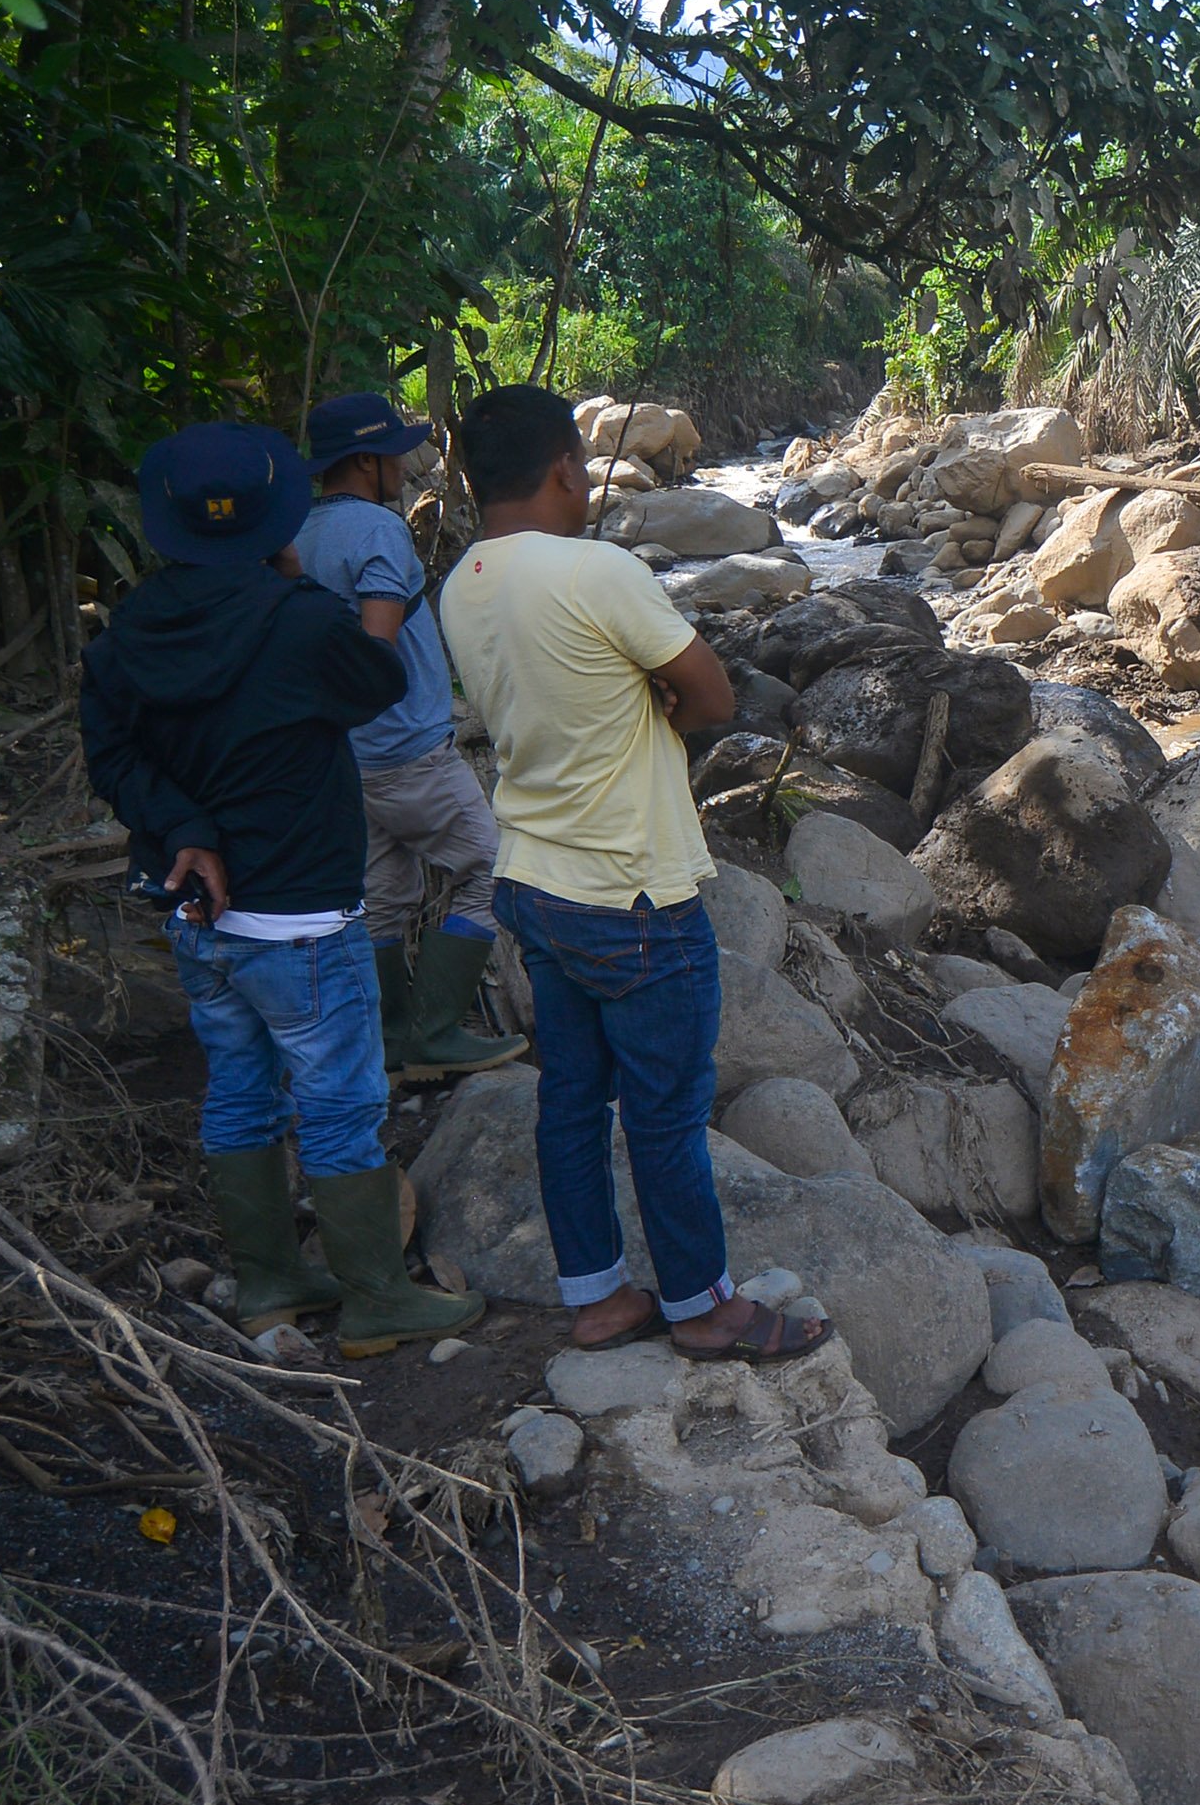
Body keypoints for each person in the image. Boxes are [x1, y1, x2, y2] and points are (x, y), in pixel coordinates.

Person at [79, 421, 486, 1358]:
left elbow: (113, 756)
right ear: (274, 521)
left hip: (198, 911)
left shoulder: (128, 632)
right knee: (341, 1102)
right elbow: (376, 680)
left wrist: (187, 826)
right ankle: (376, 1296)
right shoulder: (297, 618)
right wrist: (296, 581)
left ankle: (268, 1282)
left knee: (240, 1089)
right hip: (302, 907)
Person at [436, 385, 826, 1361]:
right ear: (566, 470)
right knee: (665, 1113)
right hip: (631, 889)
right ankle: (704, 1308)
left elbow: (560, 693)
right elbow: (713, 695)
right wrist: (658, 696)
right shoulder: (595, 570)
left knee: (570, 1099)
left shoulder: (461, 583)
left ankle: (599, 1298)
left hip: (531, 878)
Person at [294, 389, 524, 1077]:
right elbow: (377, 649)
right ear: (366, 461)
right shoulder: (378, 530)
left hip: (347, 755)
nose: (404, 464)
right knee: (495, 868)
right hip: (407, 752)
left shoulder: (299, 532)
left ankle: (391, 1039)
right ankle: (435, 1029)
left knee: (385, 896)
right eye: (394, 451)